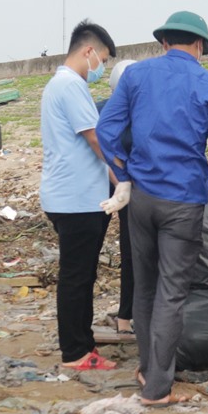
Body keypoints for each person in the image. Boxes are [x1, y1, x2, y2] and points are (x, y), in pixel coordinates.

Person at [97, 10, 208, 406]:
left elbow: (107, 129)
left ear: (164, 42)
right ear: (199, 46)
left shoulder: (135, 76)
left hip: (140, 198)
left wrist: (123, 174)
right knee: (172, 293)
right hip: (183, 202)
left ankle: (147, 367)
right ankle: (157, 388)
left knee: (144, 286)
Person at [41, 20, 119, 371]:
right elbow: (95, 139)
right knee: (76, 276)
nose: (100, 67)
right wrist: (126, 177)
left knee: (82, 274)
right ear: (88, 52)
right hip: (76, 200)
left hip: (74, 195)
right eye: (101, 58)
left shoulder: (61, 85)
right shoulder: (70, 86)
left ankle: (83, 346)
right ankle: (75, 352)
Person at [96, 59, 136, 337]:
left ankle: (126, 316)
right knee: (128, 251)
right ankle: (124, 317)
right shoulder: (102, 110)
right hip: (113, 185)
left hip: (126, 185)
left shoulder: (139, 111)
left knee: (132, 250)